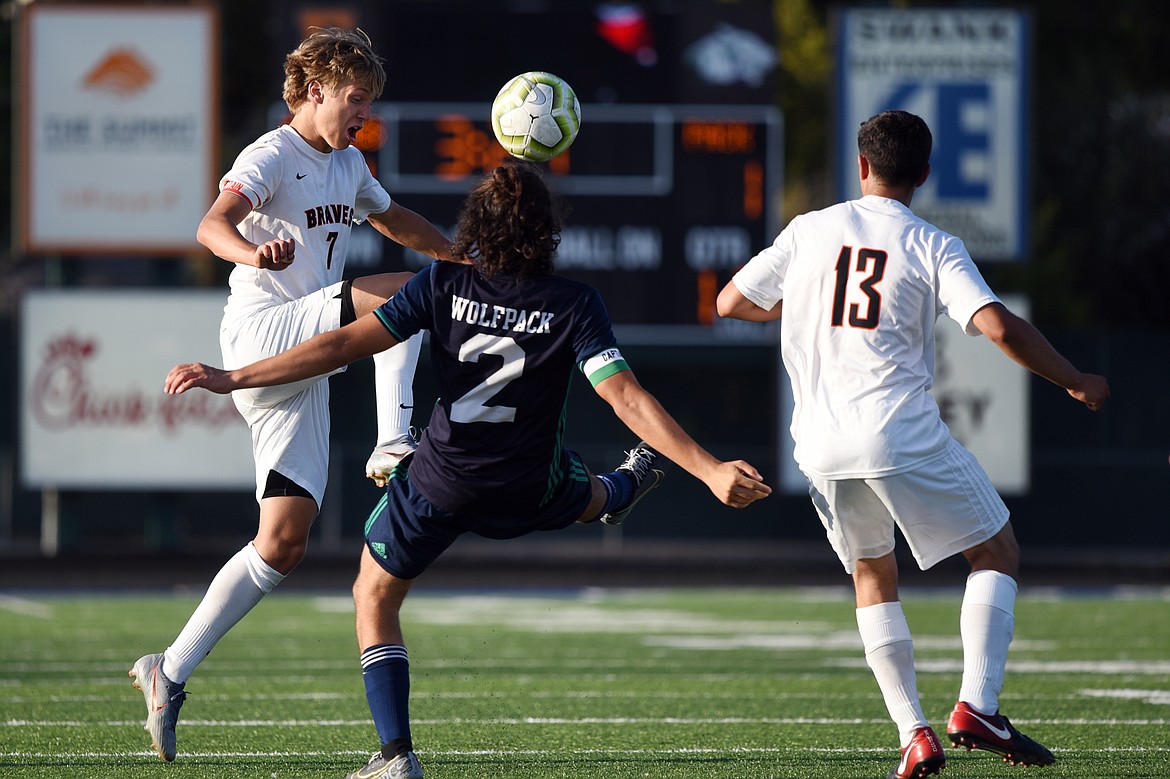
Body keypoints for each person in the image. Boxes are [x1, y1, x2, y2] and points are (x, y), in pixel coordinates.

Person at [164, 161, 773, 779]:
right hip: (530, 481)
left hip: (441, 481)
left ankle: (395, 756)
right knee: (581, 492)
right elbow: (627, 398)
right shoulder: (575, 303)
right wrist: (709, 470)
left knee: (373, 596)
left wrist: (234, 375)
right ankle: (620, 487)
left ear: (477, 227)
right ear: (548, 234)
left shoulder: (443, 285)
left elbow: (343, 344)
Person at [717, 110, 1109, 778]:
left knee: (873, 574)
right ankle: (978, 705)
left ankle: (914, 732)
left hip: (817, 445)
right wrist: (1072, 378)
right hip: (897, 432)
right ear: (923, 175)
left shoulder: (809, 230)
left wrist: (807, 300)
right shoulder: (932, 243)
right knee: (997, 549)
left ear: (861, 166)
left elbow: (731, 302)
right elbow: (995, 325)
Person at [129, 28, 455, 762]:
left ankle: (167, 668)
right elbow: (210, 225)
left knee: (282, 543)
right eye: (354, 98)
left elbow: (394, 219)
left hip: (302, 361)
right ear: (315, 92)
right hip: (263, 330)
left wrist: (459, 252)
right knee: (406, 298)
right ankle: (393, 437)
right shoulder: (272, 155)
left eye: (367, 100)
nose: (362, 113)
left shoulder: (350, 163)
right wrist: (253, 250)